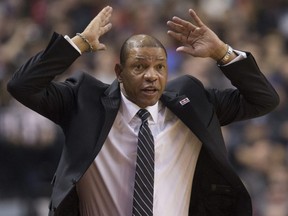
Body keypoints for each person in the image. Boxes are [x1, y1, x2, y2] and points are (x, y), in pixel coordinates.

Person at [7, 5, 279, 216]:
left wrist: (223, 53)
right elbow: (22, 86)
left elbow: (264, 99)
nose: (151, 76)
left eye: (160, 67)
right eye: (139, 67)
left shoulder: (193, 102)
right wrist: (78, 43)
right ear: (119, 72)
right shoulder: (85, 101)